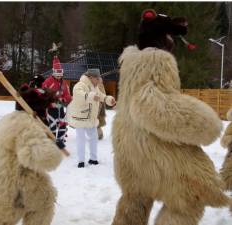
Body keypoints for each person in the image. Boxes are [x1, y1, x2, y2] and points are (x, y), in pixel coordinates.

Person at [111, 9, 231, 225]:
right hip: (155, 160)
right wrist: (207, 124)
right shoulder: (155, 65)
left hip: (129, 158)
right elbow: (155, 106)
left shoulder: (129, 70)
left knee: (135, 200)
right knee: (189, 199)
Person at [0, 84, 63, 225]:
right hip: (19, 187)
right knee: (40, 205)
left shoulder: (7, 120)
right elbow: (43, 157)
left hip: (1, 181)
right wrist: (54, 147)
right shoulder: (28, 124)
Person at [67, 68, 116, 168]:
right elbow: (78, 94)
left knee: (94, 138)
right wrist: (90, 96)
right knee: (81, 139)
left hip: (91, 118)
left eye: (99, 78)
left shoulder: (95, 87)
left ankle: (93, 159)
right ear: (90, 77)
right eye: (97, 78)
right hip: (80, 117)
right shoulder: (80, 85)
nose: (98, 80)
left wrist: (107, 99)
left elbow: (100, 95)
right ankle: (81, 161)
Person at [42, 55, 72, 150]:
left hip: (60, 108)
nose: (59, 76)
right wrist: (51, 101)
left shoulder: (64, 83)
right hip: (51, 108)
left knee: (63, 124)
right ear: (54, 73)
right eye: (57, 75)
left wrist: (64, 99)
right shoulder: (48, 82)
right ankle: (51, 142)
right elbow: (43, 94)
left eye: (60, 75)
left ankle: (60, 140)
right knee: (52, 125)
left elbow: (68, 95)